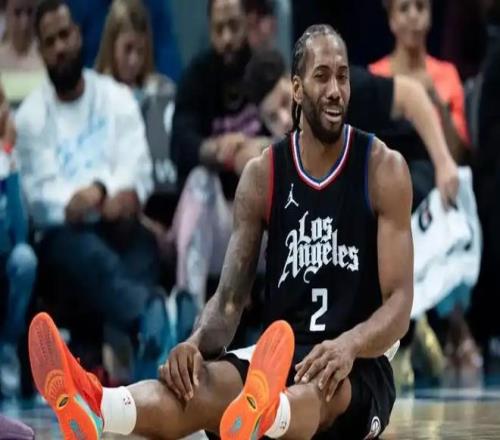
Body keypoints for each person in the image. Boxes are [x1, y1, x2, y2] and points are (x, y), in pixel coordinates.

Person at [28, 24, 413, 439]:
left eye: (342, 76)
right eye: (322, 76)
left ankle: (267, 413)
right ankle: (97, 405)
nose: (336, 89)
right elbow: (229, 301)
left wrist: (349, 345)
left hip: (358, 365)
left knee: (321, 389)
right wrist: (194, 344)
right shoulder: (264, 174)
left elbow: (399, 303)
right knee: (195, 387)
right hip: (279, 357)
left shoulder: (382, 169)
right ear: (297, 89)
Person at [15, 0, 166, 380]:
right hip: (65, 244)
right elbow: (42, 199)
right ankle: (148, 317)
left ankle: (139, 364)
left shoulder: (115, 97)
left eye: (64, 35)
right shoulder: (31, 117)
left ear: (79, 35)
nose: (60, 47)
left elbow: (138, 168)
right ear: (41, 51)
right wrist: (103, 193)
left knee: (143, 246)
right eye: (50, 41)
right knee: (82, 251)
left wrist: (102, 192)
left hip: (116, 229)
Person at [168, 0, 270, 317]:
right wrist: (215, 151)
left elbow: (296, 137)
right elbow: (181, 143)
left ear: (247, 24)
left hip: (263, 226)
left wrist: (254, 149)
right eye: (219, 29)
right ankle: (190, 317)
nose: (227, 38)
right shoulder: (196, 77)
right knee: (200, 180)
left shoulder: (266, 71)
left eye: (234, 27)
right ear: (210, 29)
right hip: (215, 223)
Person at [95, 0, 177, 195]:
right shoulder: (95, 95)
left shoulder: (162, 90)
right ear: (111, 45)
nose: (134, 61)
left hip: (161, 193)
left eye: (141, 51)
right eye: (128, 49)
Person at [370, 0, 470, 161]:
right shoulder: (375, 76)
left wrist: (436, 100)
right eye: (404, 9)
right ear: (391, 20)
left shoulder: (447, 74)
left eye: (420, 7)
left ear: (430, 16)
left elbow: (457, 154)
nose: (413, 16)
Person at [0, 82, 37, 397]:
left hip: (6, 255)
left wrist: (7, 158)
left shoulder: (8, 157)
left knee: (25, 259)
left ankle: (8, 346)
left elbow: (20, 234)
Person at [0, 0, 45, 104]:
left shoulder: (47, 56)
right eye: (17, 12)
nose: (24, 23)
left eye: (30, 12)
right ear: (5, 13)